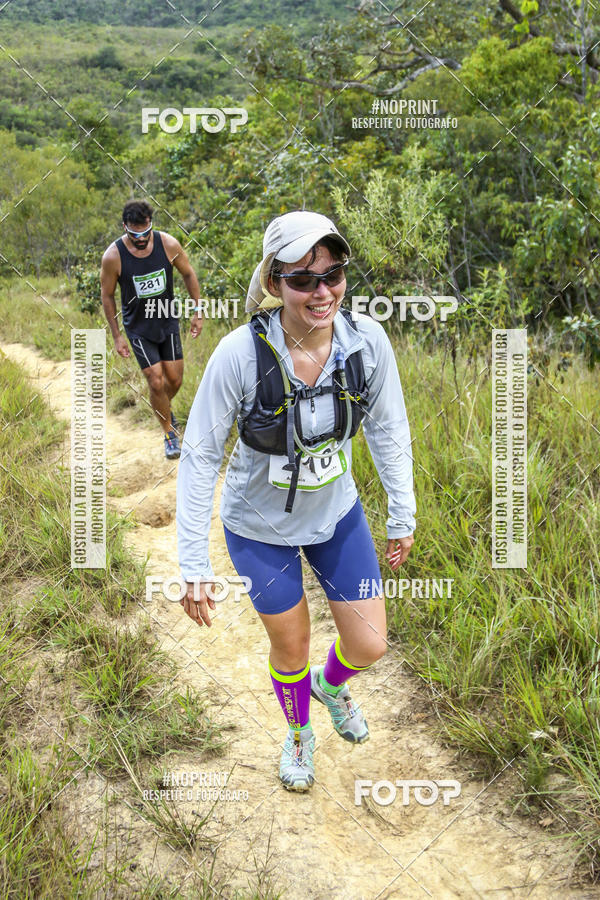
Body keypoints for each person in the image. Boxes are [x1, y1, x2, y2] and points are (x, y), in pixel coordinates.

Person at [176, 210, 416, 791]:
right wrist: (193, 563)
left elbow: (388, 428)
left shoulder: (366, 342)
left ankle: (329, 688)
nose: (321, 292)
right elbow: (201, 455)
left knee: (369, 643)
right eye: (303, 279)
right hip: (259, 528)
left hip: (336, 515)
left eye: (332, 275)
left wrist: (402, 513)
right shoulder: (239, 355)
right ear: (273, 282)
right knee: (292, 647)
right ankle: (300, 732)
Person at [100, 199, 204, 459]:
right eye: (135, 234)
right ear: (125, 227)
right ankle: (169, 434)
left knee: (175, 380)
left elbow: (188, 274)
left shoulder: (168, 244)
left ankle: (163, 409)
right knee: (156, 381)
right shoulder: (113, 257)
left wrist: (198, 310)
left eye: (145, 232)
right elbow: (107, 295)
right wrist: (117, 336)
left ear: (151, 225)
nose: (141, 239)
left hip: (167, 321)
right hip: (138, 328)